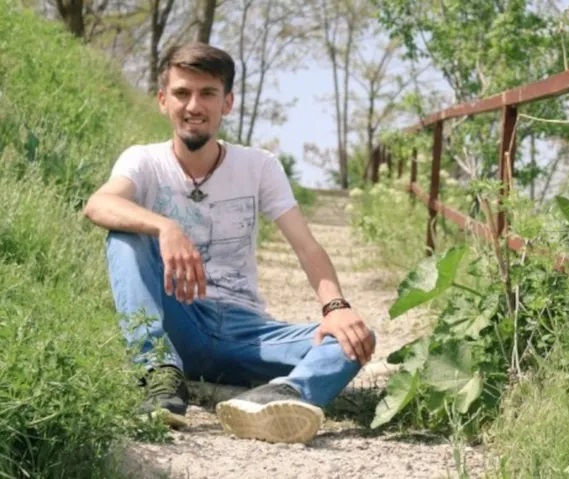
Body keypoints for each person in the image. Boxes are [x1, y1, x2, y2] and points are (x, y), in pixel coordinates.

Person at [82, 41, 376, 445]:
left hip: (247, 333)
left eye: (208, 93)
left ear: (228, 102)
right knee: (125, 235)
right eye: (182, 93)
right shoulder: (144, 160)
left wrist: (336, 308)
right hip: (179, 318)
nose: (194, 105)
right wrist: (166, 227)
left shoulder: (259, 166)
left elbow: (307, 246)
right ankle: (158, 373)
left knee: (354, 337)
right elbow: (99, 203)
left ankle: (280, 398)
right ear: (163, 101)